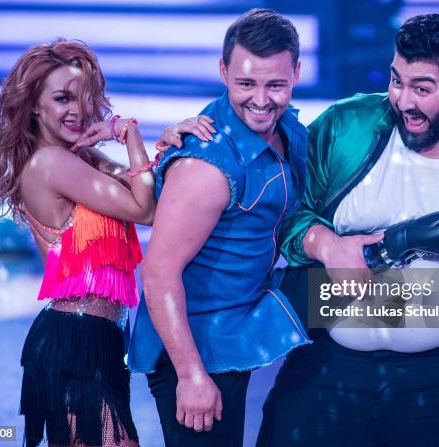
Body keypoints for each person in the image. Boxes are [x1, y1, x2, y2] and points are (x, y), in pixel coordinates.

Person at [254, 14, 439, 447]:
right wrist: (327, 246)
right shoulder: (344, 126)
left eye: (422, 89)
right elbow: (285, 213)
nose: (403, 101)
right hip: (332, 359)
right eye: (397, 81)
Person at [127, 9, 310, 447]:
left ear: (296, 74)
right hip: (194, 351)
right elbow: (158, 274)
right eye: (246, 83)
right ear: (224, 71)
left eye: (276, 85)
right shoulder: (205, 166)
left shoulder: (287, 129)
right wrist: (191, 375)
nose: (262, 99)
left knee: (353, 288)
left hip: (240, 326)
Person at [0, 39, 155, 447]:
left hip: (97, 338)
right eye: (62, 98)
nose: (77, 110)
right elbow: (143, 208)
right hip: (75, 340)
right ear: (33, 106)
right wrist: (129, 133)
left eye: (83, 97)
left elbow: (147, 182)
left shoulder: (80, 160)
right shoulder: (53, 163)